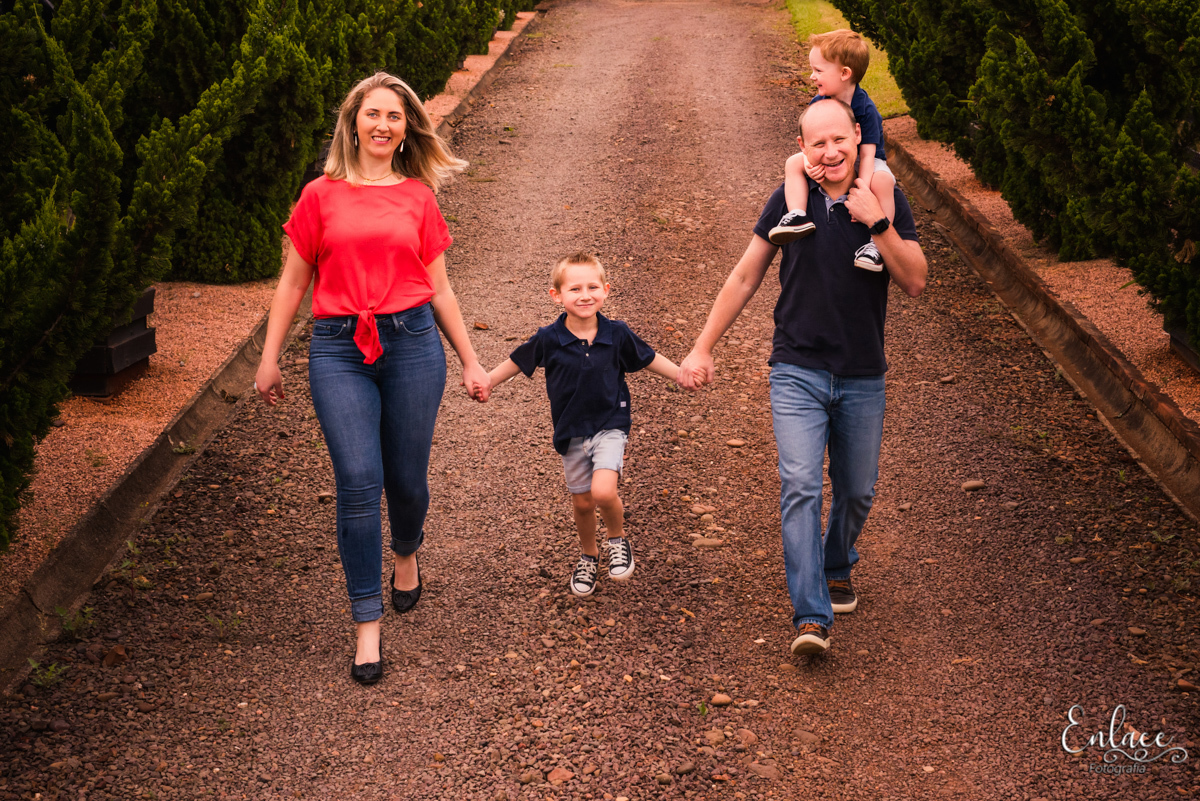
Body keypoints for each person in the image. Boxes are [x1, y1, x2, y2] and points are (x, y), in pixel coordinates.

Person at [254, 72, 488, 685]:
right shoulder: (318, 196)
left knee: (406, 481)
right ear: (352, 122)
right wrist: (269, 354)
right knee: (359, 480)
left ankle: (407, 552)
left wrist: (468, 358)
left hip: (412, 344)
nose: (383, 125)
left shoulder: (417, 198)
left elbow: (439, 287)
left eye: (395, 116)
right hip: (337, 350)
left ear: (407, 128)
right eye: (373, 114)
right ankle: (366, 625)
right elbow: (293, 283)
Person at [678, 99, 927, 656]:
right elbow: (745, 276)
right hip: (796, 370)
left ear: (856, 135)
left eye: (839, 140)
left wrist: (877, 223)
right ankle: (811, 617)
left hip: (863, 373)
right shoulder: (792, 204)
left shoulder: (883, 194)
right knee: (801, 486)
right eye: (817, 144)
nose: (830, 152)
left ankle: (837, 561)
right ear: (803, 148)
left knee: (857, 491)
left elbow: (914, 280)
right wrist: (701, 347)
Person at [483, 253, 680, 598]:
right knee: (583, 504)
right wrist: (487, 381)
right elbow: (518, 360)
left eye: (592, 287)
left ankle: (617, 540)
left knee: (603, 492)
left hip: (610, 423)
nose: (585, 295)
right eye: (575, 288)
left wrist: (681, 374)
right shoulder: (550, 338)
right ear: (556, 295)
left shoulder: (616, 334)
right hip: (571, 430)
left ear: (605, 290)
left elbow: (648, 358)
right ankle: (588, 555)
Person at [768, 29, 895, 273]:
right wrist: (809, 166)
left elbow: (868, 154)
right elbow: (810, 144)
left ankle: (875, 244)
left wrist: (863, 189)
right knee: (792, 164)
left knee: (884, 180)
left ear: (845, 73)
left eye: (818, 70)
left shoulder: (866, 109)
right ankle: (797, 214)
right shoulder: (820, 102)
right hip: (834, 158)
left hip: (865, 162)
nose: (812, 76)